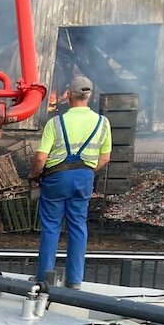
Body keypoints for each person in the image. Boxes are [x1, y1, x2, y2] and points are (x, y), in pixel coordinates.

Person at [31, 75, 111, 289]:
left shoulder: (55, 123)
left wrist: (34, 175)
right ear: (89, 95)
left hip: (56, 178)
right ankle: (75, 281)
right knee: (78, 226)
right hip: (84, 177)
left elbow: (40, 157)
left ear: (68, 95)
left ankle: (43, 278)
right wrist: (85, 173)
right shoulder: (103, 123)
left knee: (51, 227)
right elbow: (105, 158)